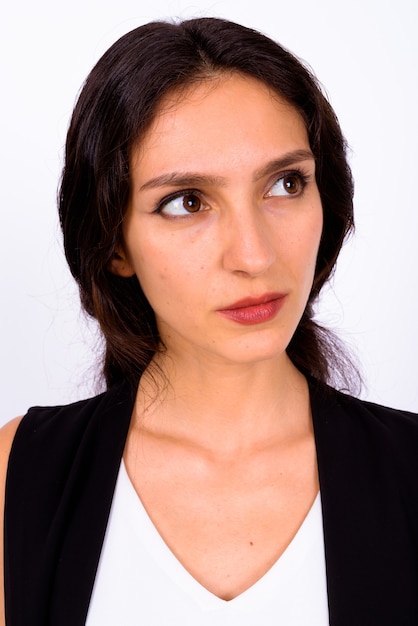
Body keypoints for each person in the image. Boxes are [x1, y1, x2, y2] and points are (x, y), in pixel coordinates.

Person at [1, 16, 417, 626]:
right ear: (114, 243)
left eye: (285, 183)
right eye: (186, 202)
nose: (254, 255)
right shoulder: (18, 475)